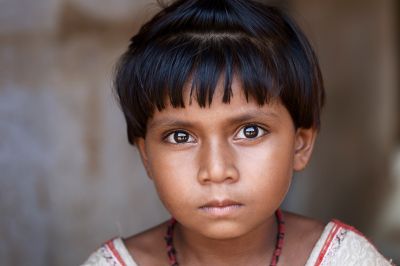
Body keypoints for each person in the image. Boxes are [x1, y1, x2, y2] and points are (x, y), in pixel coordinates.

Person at [82, 0, 393, 265]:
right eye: (180, 136)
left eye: (250, 130)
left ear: (301, 144)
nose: (216, 170)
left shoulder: (343, 259)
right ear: (146, 155)